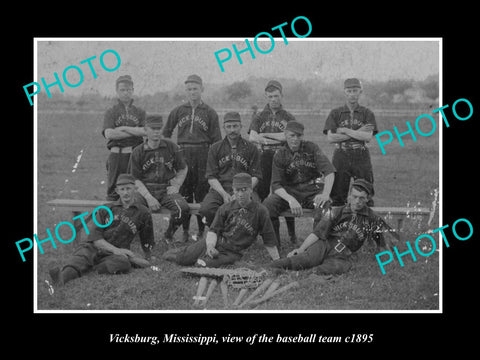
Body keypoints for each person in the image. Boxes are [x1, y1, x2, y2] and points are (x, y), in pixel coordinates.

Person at [267, 179, 394, 275]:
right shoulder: (336, 211)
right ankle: (271, 267)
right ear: (349, 197)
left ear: (367, 199)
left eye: (362, 198)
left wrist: (386, 253)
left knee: (333, 267)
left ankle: (307, 274)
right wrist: (301, 249)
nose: (357, 201)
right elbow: (317, 233)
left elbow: (381, 243)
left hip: (344, 253)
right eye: (354, 197)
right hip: (325, 244)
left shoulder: (372, 218)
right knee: (304, 259)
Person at [48, 174, 154, 286]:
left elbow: (148, 241)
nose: (125, 193)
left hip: (117, 254)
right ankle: (61, 279)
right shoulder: (106, 208)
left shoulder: (143, 212)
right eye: (122, 189)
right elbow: (96, 238)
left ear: (135, 189)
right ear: (117, 191)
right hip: (95, 246)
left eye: (129, 188)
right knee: (81, 256)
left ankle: (91, 267)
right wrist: (116, 250)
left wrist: (143, 257)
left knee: (123, 263)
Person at [163, 173, 280, 267]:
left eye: (244, 190)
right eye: (237, 190)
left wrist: (277, 260)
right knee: (181, 259)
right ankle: (185, 252)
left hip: (233, 252)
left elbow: (269, 238)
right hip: (216, 243)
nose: (240, 194)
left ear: (251, 190)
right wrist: (210, 246)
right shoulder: (225, 208)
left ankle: (201, 256)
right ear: (233, 190)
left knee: (203, 264)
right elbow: (213, 230)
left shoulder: (261, 211)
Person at [163, 75, 222, 242]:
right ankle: (185, 231)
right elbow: (166, 133)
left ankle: (202, 231)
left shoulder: (210, 112)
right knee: (184, 194)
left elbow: (217, 141)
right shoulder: (178, 110)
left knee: (202, 195)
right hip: (182, 154)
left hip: (203, 155)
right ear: (185, 91)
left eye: (195, 88)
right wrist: (171, 152)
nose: (192, 92)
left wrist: (212, 161)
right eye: (189, 89)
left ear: (202, 89)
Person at [262, 121, 335, 249]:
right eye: (292, 135)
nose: (295, 139)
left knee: (325, 206)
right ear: (285, 135)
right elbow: (276, 185)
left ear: (302, 136)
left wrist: (325, 194)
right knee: (268, 205)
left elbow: (329, 171)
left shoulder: (311, 148)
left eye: (298, 136)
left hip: (312, 190)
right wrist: (291, 200)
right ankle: (274, 246)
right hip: (290, 191)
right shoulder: (280, 154)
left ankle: (316, 247)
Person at [248, 80, 297, 243]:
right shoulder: (259, 116)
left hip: (283, 157)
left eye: (276, 96)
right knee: (260, 193)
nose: (273, 99)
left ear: (281, 96)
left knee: (285, 192)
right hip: (264, 157)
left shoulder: (288, 116)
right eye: (270, 96)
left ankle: (292, 233)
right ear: (266, 97)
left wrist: (266, 136)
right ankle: (258, 230)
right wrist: (272, 138)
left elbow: (288, 136)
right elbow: (252, 136)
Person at [128, 115, 190, 243]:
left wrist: (177, 185)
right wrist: (149, 198)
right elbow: (135, 179)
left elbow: (183, 168)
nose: (156, 132)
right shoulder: (138, 151)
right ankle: (144, 240)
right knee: (134, 207)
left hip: (166, 188)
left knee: (182, 208)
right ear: (145, 130)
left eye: (159, 128)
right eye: (152, 128)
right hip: (145, 189)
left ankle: (168, 236)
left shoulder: (171, 146)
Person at [198, 111, 262, 227]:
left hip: (245, 188)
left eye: (235, 126)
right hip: (221, 188)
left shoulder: (251, 148)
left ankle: (244, 236)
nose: (232, 130)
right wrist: (223, 194)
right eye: (229, 127)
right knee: (206, 209)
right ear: (224, 128)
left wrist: (241, 192)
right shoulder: (215, 148)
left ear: (241, 127)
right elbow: (211, 177)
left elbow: (256, 176)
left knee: (255, 209)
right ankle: (220, 232)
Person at [323, 78, 378, 206]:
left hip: (361, 154)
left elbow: (368, 137)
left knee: (365, 193)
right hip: (341, 153)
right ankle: (339, 225)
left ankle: (364, 224)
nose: (352, 94)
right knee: (337, 195)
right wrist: (358, 132)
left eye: (355, 90)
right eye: (349, 91)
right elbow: (331, 138)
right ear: (344, 92)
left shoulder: (367, 113)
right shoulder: (336, 113)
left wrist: (345, 130)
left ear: (360, 92)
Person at [102, 75, 147, 201]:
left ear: (132, 90)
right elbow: (109, 134)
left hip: (134, 155)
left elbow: (145, 131)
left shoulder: (140, 112)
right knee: (113, 191)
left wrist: (122, 128)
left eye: (128, 90)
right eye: (122, 90)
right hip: (116, 156)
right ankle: (112, 220)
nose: (126, 93)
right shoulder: (111, 111)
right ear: (117, 91)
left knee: (134, 189)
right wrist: (134, 131)